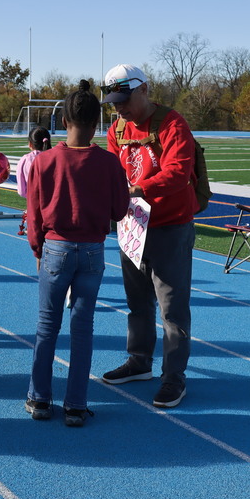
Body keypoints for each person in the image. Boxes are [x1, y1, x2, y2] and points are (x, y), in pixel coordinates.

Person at [24, 81, 130, 426]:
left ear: (64, 119)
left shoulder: (45, 161)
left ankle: (40, 399)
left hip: (55, 247)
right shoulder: (109, 163)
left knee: (46, 326)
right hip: (92, 251)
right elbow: (119, 211)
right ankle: (75, 404)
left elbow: (34, 213)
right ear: (97, 122)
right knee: (83, 329)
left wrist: (38, 248)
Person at [100, 64, 198, 409]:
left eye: (124, 100)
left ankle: (174, 377)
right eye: (114, 102)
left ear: (144, 90)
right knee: (137, 303)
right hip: (132, 226)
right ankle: (139, 361)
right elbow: (112, 168)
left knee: (172, 309)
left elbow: (178, 173)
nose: (119, 108)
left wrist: (136, 188)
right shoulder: (117, 128)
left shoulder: (172, 124)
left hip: (169, 226)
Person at [15, 126, 52, 198]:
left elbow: (22, 191)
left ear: (30, 144)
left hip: (34, 204)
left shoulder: (25, 160)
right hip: (55, 205)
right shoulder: (57, 158)